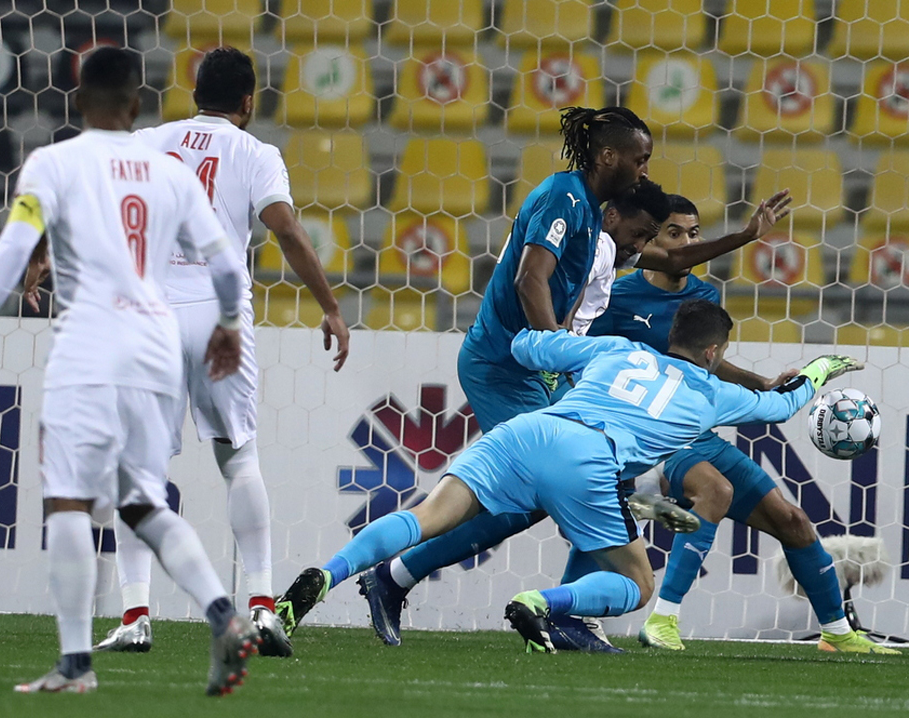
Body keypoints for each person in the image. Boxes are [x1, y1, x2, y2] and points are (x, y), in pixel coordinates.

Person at [350, 138, 792, 649]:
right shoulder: (587, 228)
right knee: (525, 499)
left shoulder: (607, 240)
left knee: (596, 484)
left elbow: (673, 259)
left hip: (541, 373)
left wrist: (743, 236)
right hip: (509, 366)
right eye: (645, 233)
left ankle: (566, 610)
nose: (645, 247)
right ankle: (396, 576)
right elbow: (530, 280)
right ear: (613, 201)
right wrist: (556, 359)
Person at [272, 300, 863, 651]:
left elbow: (530, 345)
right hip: (588, 460)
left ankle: (321, 580)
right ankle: (542, 602)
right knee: (636, 585)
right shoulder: (713, 393)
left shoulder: (616, 350)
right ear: (713, 352)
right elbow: (782, 407)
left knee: (423, 516)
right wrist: (816, 369)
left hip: (529, 429)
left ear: (672, 339)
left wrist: (552, 342)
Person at [25, 47, 351, 658]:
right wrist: (329, 306)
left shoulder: (152, 140)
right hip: (219, 318)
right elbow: (284, 227)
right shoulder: (255, 153)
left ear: (195, 93)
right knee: (240, 460)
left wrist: (42, 250)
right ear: (249, 101)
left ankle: (136, 615)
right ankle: (260, 609)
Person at [0, 47, 260, 695]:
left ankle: (74, 666)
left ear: (77, 102)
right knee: (142, 502)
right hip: (154, 345)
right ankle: (223, 614)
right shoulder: (168, 172)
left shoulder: (55, 162)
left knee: (68, 498)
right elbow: (229, 267)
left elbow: (15, 245)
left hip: (89, 343)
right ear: (136, 106)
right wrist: (232, 327)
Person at [586, 196, 897, 654]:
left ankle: (838, 633)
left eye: (694, 234)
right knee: (715, 492)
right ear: (653, 239)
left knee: (792, 522)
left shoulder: (704, 297)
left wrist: (764, 384)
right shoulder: (619, 293)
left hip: (698, 432)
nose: (689, 242)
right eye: (676, 233)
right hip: (656, 435)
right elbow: (591, 360)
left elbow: (710, 365)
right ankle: (660, 622)